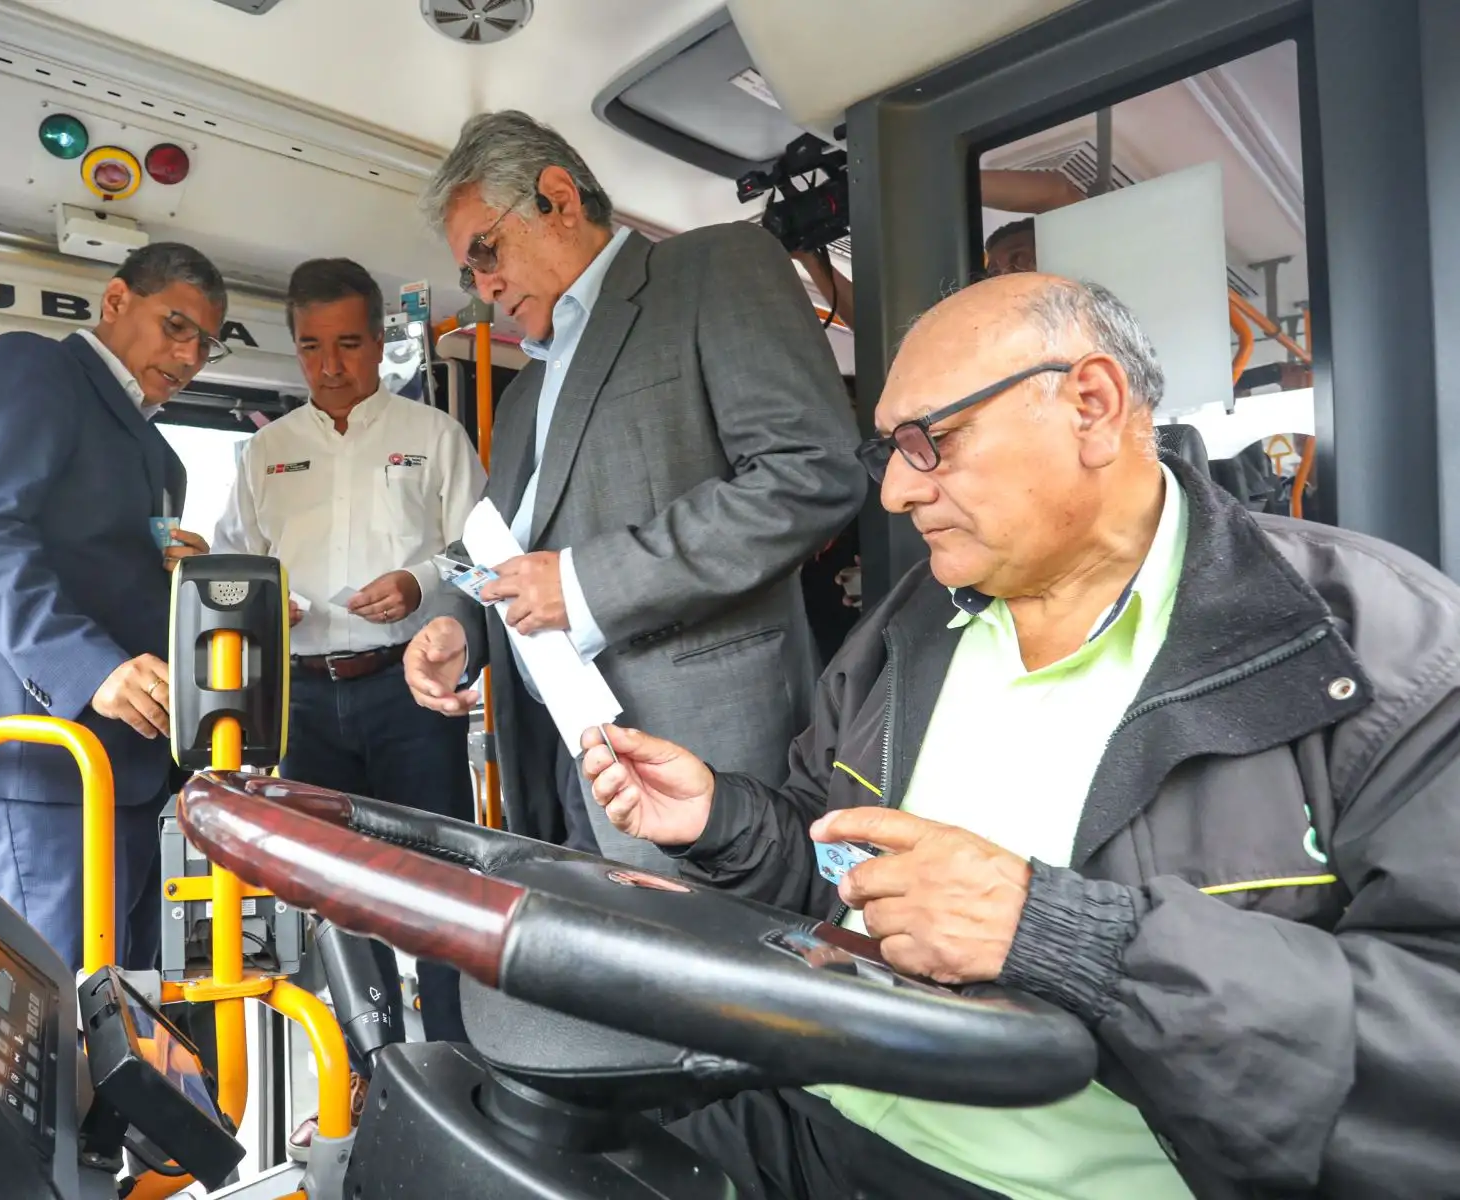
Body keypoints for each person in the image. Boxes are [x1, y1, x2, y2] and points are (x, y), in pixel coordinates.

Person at [579, 274, 1460, 1199]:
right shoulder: (913, 622)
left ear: (1091, 405)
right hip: (819, 1117)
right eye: (888, 451)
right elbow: (835, 862)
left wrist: (1070, 943)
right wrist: (719, 819)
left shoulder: (1377, 652)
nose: (894, 491)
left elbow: (1433, 1048)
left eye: (930, 440)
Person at [404, 110, 862, 872]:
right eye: (467, 273)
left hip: (703, 750)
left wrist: (584, 585)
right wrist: (457, 622)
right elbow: (502, 543)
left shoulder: (713, 269)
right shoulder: (522, 398)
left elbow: (810, 471)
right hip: (560, 763)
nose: (484, 285)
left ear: (558, 198)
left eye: (486, 250)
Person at [213, 256, 484, 1055]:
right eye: (311, 347)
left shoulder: (433, 436)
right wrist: (267, 600)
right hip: (304, 700)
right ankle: (369, 1073)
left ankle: (458, 1061)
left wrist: (419, 581)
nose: (330, 366)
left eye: (349, 344)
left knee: (440, 887)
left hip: (408, 693)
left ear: (378, 341)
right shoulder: (263, 453)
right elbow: (235, 567)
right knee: (336, 895)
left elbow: (481, 555)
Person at [0, 242, 224, 971]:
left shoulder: (159, 455)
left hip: (130, 765)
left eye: (205, 344)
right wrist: (91, 670)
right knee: (58, 1001)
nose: (189, 356)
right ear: (116, 301)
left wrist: (184, 577)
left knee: (121, 997)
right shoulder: (31, 368)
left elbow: (111, 571)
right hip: (44, 760)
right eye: (176, 326)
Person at [799, 169, 1081, 327]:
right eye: (994, 272)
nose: (1006, 273)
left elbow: (1057, 192)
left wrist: (900, 183)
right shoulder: (995, 334)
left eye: (1019, 257)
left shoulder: (1085, 286)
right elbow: (880, 335)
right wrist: (808, 256)